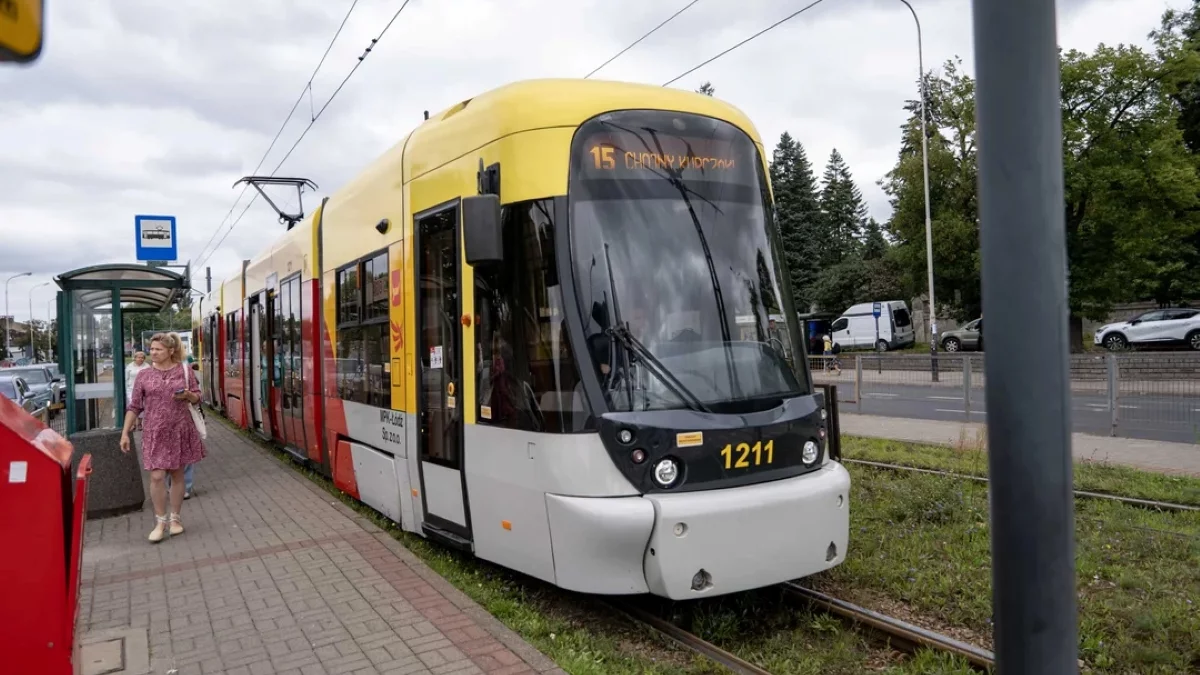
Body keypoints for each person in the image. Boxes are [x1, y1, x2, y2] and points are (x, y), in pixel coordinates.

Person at [119, 333, 206, 543]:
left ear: (170, 351)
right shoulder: (144, 376)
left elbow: (197, 397)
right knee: (157, 476)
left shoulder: (184, 370)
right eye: (152, 349)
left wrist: (187, 394)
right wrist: (125, 432)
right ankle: (160, 521)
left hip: (179, 429)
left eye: (158, 349)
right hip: (154, 432)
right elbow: (135, 406)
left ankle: (175, 519)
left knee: (177, 475)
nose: (153, 353)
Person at [125, 351, 150, 430]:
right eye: (139, 357)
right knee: (132, 405)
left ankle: (139, 423)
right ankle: (132, 423)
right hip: (131, 389)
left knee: (141, 405)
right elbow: (126, 378)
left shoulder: (147, 366)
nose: (140, 359)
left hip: (143, 390)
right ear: (135, 358)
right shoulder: (129, 366)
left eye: (142, 357)